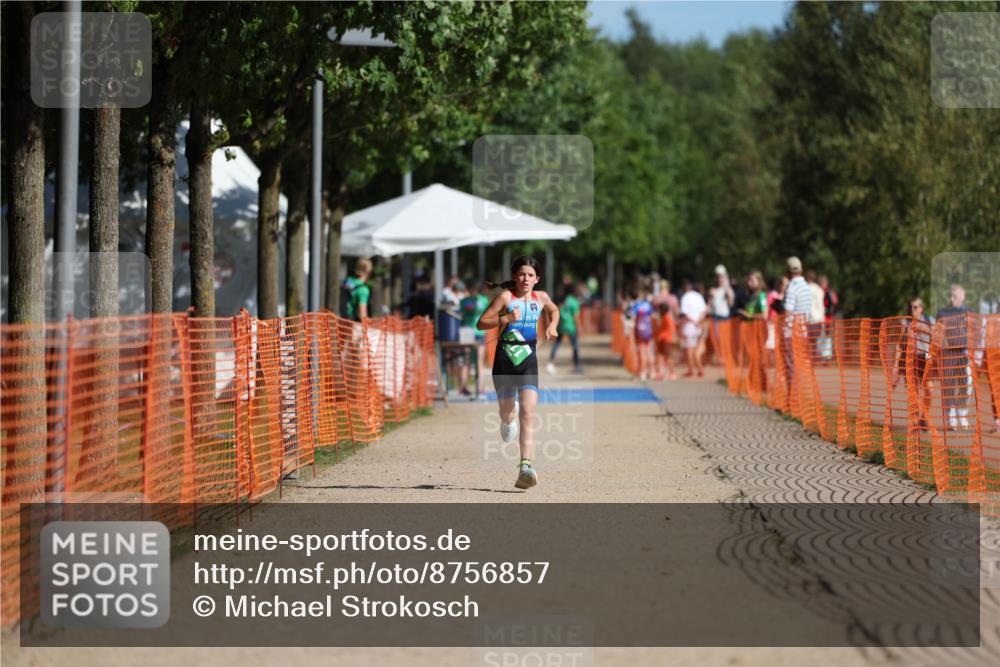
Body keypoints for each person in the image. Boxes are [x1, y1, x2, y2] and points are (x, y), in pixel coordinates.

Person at [477, 256, 559, 490]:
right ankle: (506, 419)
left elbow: (555, 311)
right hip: (504, 360)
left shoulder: (541, 298)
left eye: (530, 275)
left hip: (527, 361)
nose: (525, 279)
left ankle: (525, 465)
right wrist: (505, 318)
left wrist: (552, 326)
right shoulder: (505, 297)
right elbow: (481, 323)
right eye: (522, 274)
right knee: (507, 411)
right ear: (515, 276)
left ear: (537, 279)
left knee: (528, 413)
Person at [892, 297, 934, 430]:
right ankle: (915, 420)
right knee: (913, 391)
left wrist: (924, 329)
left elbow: (937, 338)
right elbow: (899, 344)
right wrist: (895, 366)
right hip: (910, 359)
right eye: (911, 307)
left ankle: (924, 416)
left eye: (915, 307)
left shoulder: (929, 320)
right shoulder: (905, 322)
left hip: (925, 358)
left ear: (922, 308)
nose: (912, 309)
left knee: (929, 389)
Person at [935, 284, 974, 430]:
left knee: (967, 384)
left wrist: (974, 352)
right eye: (950, 296)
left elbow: (974, 332)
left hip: (964, 352)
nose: (951, 299)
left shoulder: (969, 312)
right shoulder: (943, 313)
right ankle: (950, 418)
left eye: (955, 296)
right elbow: (938, 334)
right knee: (949, 387)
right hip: (947, 353)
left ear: (962, 297)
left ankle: (962, 413)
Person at [459, 283, 490, 395]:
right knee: (477, 361)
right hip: (477, 331)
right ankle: (478, 387)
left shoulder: (464, 301)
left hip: (469, 331)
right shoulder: (483, 300)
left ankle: (467, 387)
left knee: (467, 360)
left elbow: (461, 314)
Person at [547, 285, 583, 374]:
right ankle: (577, 365)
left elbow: (557, 310)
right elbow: (576, 317)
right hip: (571, 326)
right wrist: (579, 328)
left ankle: (550, 361)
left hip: (562, 325)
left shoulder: (563, 300)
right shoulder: (574, 302)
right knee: (575, 346)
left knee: (557, 344)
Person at [708, 265, 735, 365]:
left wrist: (727, 289)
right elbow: (710, 305)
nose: (720, 279)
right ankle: (721, 357)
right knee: (717, 338)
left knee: (725, 339)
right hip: (715, 317)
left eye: (721, 277)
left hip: (725, 318)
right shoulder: (713, 290)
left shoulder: (727, 290)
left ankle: (727, 358)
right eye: (718, 277)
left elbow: (731, 303)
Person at [680, 280, 707, 377]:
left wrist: (694, 322)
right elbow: (704, 311)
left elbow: (685, 313)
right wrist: (699, 322)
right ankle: (699, 369)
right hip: (699, 327)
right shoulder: (699, 296)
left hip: (689, 328)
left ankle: (692, 370)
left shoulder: (685, 298)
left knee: (689, 350)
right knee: (697, 350)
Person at [629, 289, 656, 380]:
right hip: (648, 330)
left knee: (642, 351)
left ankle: (643, 372)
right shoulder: (648, 305)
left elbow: (632, 318)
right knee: (649, 351)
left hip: (640, 330)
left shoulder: (636, 305)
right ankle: (652, 372)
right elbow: (652, 317)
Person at [341, 257, 372, 321]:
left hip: (339, 317)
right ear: (368, 272)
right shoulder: (363, 289)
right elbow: (362, 315)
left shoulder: (347, 281)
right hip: (349, 321)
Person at [654, 301, 677, 380]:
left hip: (667, 340)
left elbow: (671, 329)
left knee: (668, 357)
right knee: (662, 357)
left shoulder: (667, 318)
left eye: (659, 309)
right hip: (662, 340)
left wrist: (661, 335)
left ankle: (673, 373)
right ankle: (663, 373)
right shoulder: (663, 317)